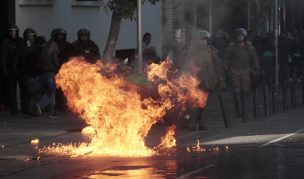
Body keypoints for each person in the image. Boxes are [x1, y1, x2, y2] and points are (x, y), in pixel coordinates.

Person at [186, 30, 224, 131]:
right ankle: (192, 124)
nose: (203, 42)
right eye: (201, 40)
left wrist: (220, 78)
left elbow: (217, 65)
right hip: (196, 80)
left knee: (204, 103)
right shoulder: (193, 51)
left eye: (205, 40)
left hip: (208, 79)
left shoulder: (212, 51)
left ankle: (202, 123)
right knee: (194, 102)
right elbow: (188, 65)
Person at [225, 28, 259, 118]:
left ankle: (245, 109)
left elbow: (254, 57)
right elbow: (227, 58)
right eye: (239, 36)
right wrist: (225, 68)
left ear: (244, 37)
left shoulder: (249, 47)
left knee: (246, 91)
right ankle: (239, 111)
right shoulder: (232, 47)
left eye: (242, 36)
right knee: (237, 91)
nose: (240, 37)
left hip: (246, 70)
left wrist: (256, 67)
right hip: (234, 71)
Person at [0, 25, 25, 114]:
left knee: (24, 89)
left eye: (14, 31)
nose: (13, 33)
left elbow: (24, 55)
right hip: (10, 69)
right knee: (11, 90)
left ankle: (25, 108)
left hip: (21, 69)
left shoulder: (21, 41)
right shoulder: (6, 42)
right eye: (11, 31)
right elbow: (3, 57)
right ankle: (14, 109)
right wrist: (4, 70)